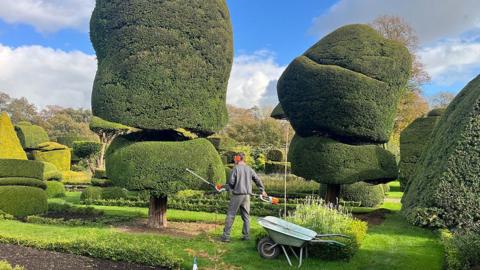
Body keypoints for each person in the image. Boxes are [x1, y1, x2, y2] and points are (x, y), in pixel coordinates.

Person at [221, 152, 267, 242]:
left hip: (237, 195)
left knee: (231, 215)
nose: (234, 159)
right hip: (247, 196)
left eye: (235, 158)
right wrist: (262, 190)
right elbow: (257, 179)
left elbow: (231, 183)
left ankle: (226, 236)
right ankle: (246, 236)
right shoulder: (249, 169)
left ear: (238, 158)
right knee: (246, 216)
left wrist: (225, 187)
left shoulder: (236, 168)